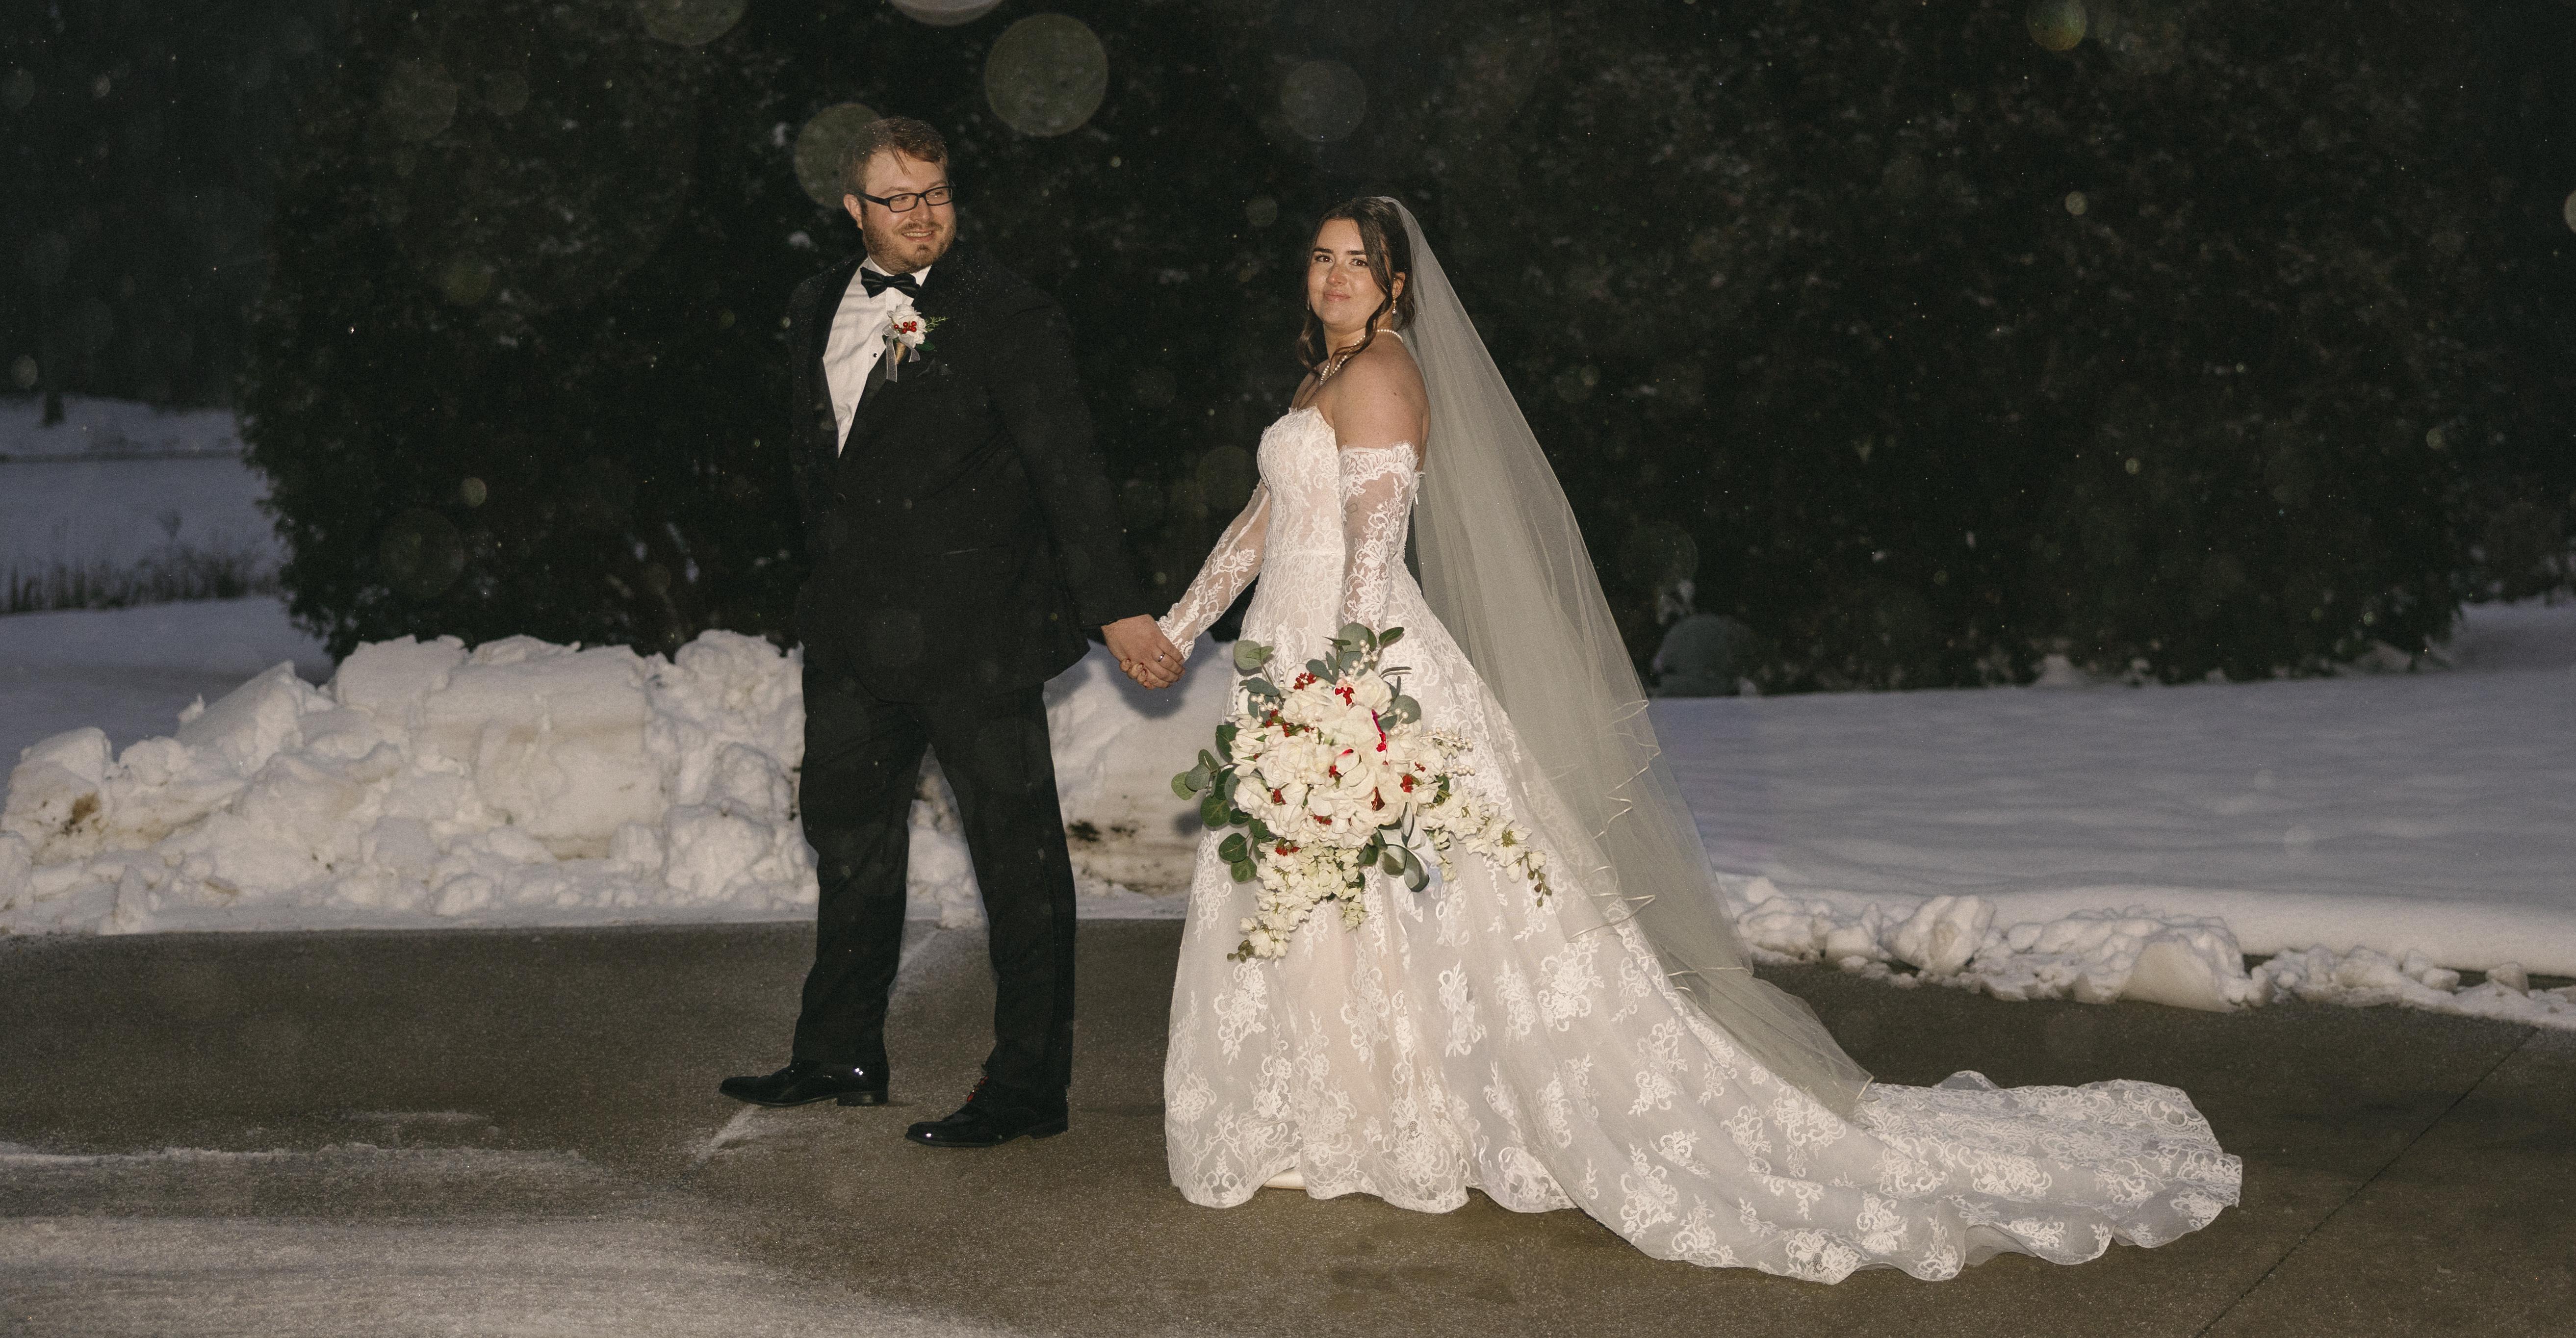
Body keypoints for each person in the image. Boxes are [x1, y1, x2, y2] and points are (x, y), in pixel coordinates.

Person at [1149, 196, 2241, 1282]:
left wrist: (1341, 695)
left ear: (1396, 285)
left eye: (1358, 261)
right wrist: (1183, 626)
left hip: (1354, 673)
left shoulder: (1382, 373)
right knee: (1336, 900)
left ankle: (1378, 1113)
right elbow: (1263, 521)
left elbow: (1371, 552)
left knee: (1402, 897)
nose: (1335, 275)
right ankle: (1344, 1107)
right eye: (1321, 257)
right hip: (1293, 663)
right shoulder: (1323, 377)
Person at [720, 116, 1185, 1149]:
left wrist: (1114, 603)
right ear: (853, 208)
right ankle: (839, 1051)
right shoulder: (814, 304)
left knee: (1016, 863)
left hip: (978, 637)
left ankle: (1028, 1084)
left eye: (936, 192)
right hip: (852, 635)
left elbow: (1069, 462)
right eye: (898, 198)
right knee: (850, 844)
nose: (922, 214)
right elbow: (819, 462)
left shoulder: (1006, 310)